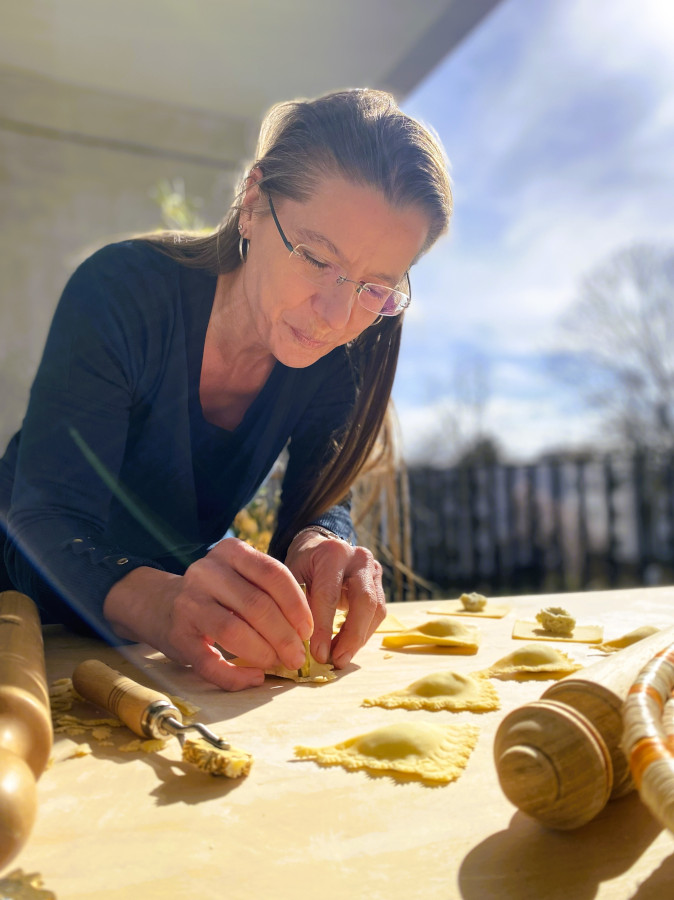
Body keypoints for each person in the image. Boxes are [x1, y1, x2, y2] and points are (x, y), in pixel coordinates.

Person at [0, 88, 452, 690]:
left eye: (375, 288)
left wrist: (321, 541)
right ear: (253, 202)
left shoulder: (341, 359)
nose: (336, 317)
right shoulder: (122, 292)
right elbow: (45, 522)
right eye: (318, 259)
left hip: (153, 650)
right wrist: (163, 602)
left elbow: (321, 497)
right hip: (19, 617)